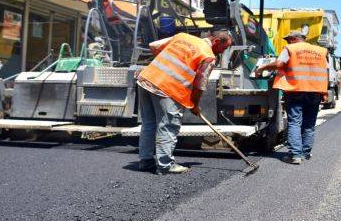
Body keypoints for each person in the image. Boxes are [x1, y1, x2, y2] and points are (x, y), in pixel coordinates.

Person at [136, 31, 233, 174]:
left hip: (147, 79)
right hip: (167, 88)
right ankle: (165, 165)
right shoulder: (208, 56)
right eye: (224, 48)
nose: (223, 51)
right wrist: (194, 104)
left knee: (149, 124)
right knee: (168, 125)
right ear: (216, 41)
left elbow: (153, 46)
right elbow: (200, 85)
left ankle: (145, 161)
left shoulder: (182, 36)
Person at [255, 31, 328, 164]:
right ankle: (305, 153)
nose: (287, 42)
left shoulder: (290, 48)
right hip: (315, 91)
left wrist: (262, 68)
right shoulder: (321, 51)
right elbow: (325, 71)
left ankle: (295, 155)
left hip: (296, 90)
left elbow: (279, 64)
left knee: (295, 122)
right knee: (309, 124)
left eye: (289, 40)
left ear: (294, 39)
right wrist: (324, 93)